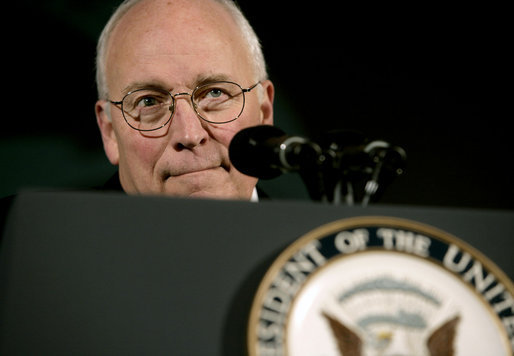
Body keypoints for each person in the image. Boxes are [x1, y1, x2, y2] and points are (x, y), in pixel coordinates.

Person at [94, 0, 274, 201]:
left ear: (264, 112)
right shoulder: (68, 233)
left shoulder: (312, 230)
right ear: (109, 131)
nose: (190, 135)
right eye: (149, 102)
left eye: (215, 93)